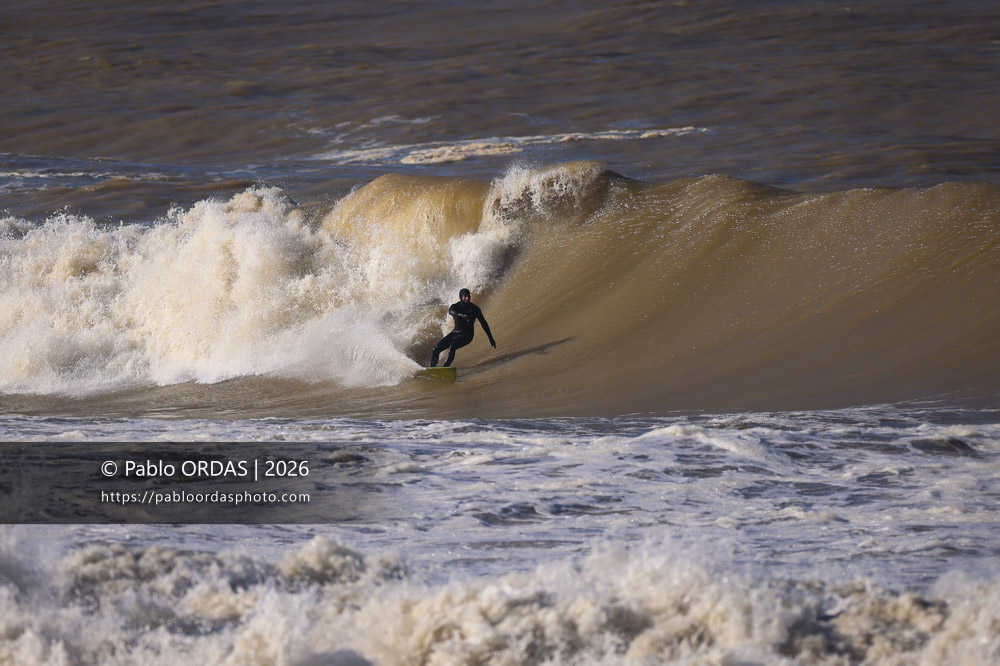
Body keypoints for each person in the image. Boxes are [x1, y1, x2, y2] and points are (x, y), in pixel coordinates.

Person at [430, 288, 496, 367]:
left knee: (453, 345)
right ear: (461, 297)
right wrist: (460, 315)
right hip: (455, 333)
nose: (467, 298)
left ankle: (445, 368)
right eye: (465, 296)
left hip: (468, 335)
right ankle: (432, 369)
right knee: (436, 349)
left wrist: (490, 337)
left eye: (468, 296)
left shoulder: (475, 309)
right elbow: (450, 311)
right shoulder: (455, 307)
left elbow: (483, 323)